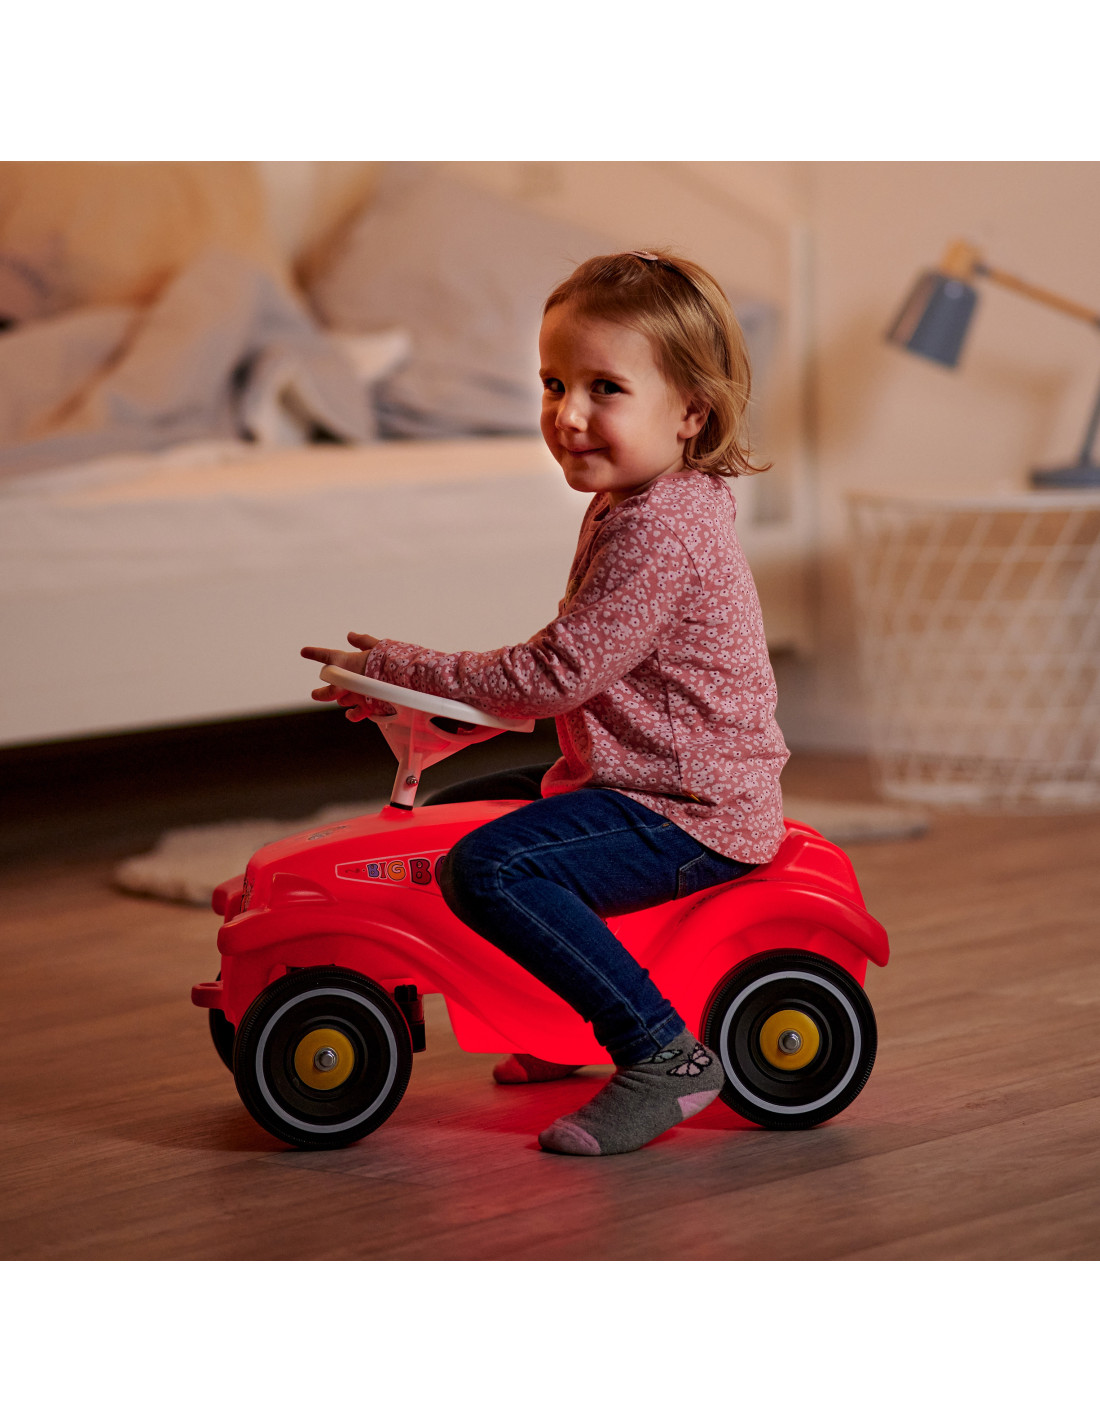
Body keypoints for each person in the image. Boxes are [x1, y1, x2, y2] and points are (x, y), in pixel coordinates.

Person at [301, 249, 789, 1156]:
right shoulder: (636, 501)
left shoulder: (662, 531)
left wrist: (415, 668)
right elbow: (586, 671)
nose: (568, 414)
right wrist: (433, 710)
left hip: (685, 806)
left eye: (606, 388)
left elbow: (553, 675)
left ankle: (661, 1054)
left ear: (691, 412)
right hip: (638, 772)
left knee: (490, 869)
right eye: (554, 384)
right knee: (451, 820)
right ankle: (554, 1017)